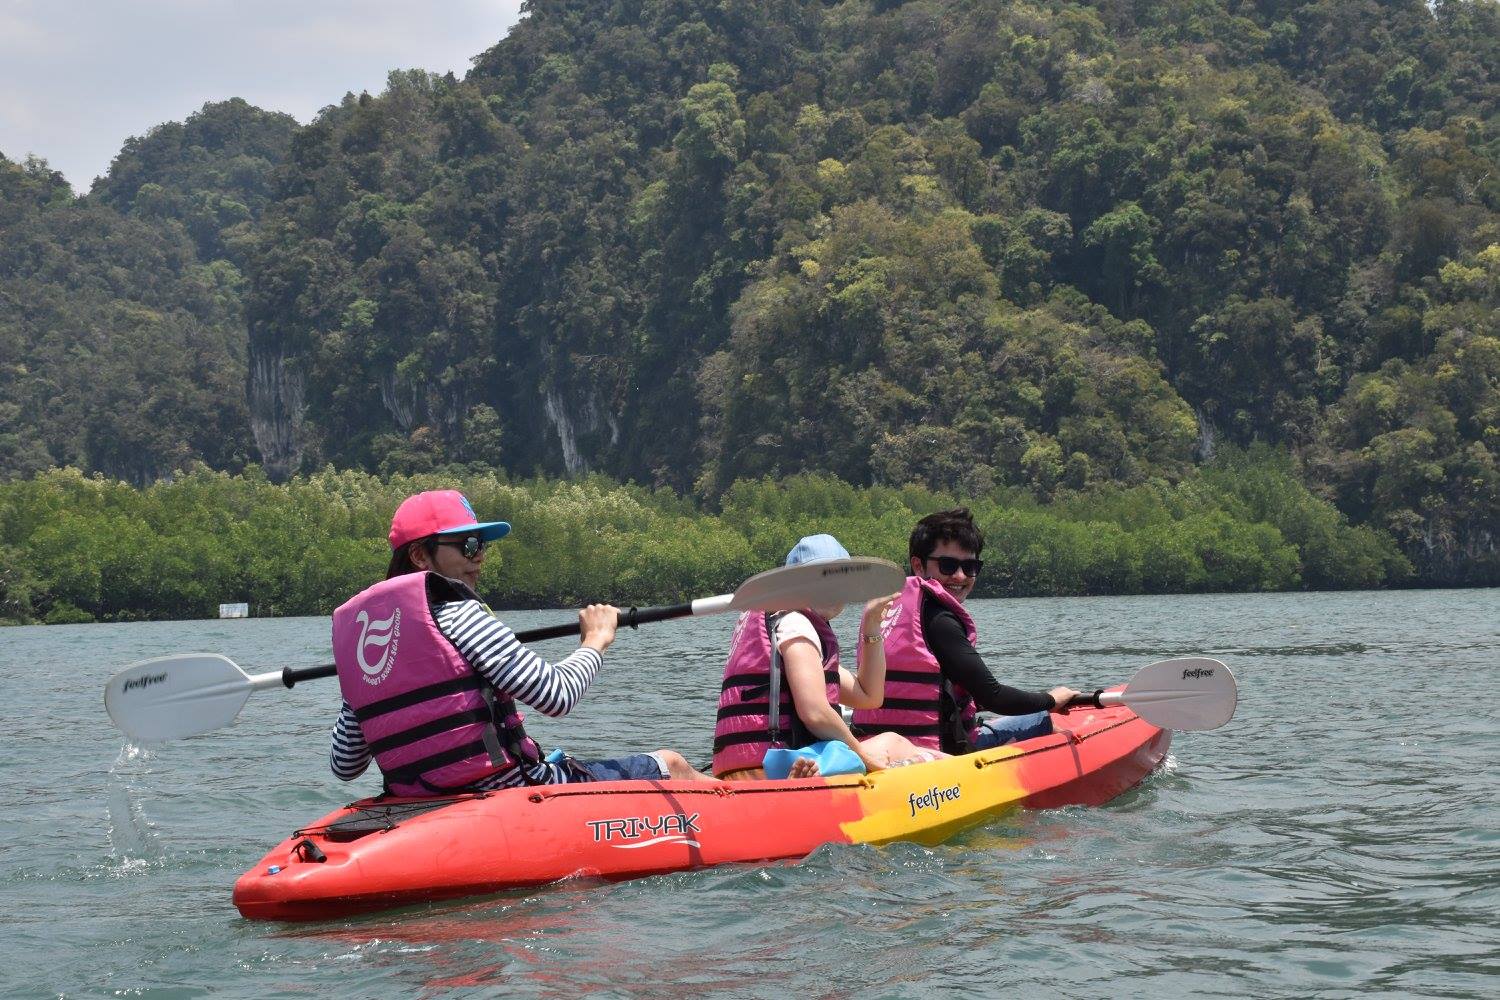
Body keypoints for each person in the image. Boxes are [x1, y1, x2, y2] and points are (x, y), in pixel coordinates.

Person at [329, 489, 711, 794]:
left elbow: (345, 764)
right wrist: (595, 640)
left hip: (415, 801)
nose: (479, 556)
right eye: (467, 545)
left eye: (482, 545)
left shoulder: (363, 650)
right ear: (419, 555)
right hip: (507, 791)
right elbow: (557, 696)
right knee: (672, 764)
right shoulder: (461, 615)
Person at [851, 509, 1081, 754]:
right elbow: (994, 696)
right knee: (1040, 719)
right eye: (948, 565)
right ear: (918, 565)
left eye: (970, 566)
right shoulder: (940, 619)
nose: (960, 576)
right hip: (937, 756)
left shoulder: (885, 612)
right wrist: (1051, 699)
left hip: (876, 749)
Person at [711, 534, 936, 781]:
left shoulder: (784, 627)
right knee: (893, 744)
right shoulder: (795, 624)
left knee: (905, 748)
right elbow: (815, 713)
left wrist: (872, 626)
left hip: (745, 769)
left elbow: (868, 695)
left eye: (841, 581)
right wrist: (865, 757)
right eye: (821, 580)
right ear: (795, 586)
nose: (832, 590)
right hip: (773, 770)